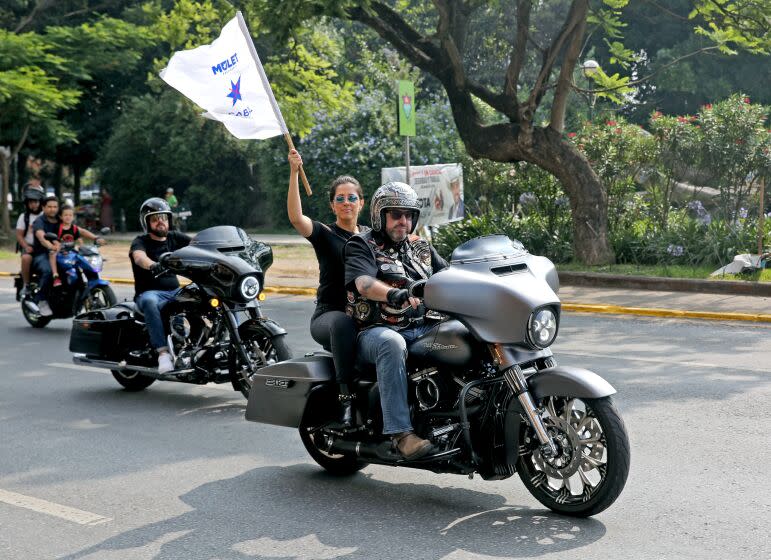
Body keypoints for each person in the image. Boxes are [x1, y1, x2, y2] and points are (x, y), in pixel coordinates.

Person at [344, 181, 449, 460]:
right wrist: (393, 294)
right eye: (396, 215)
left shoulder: (420, 247)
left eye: (408, 215)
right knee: (391, 344)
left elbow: (449, 275)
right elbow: (364, 283)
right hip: (375, 330)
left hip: (423, 326)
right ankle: (401, 434)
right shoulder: (362, 244)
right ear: (380, 216)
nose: (403, 221)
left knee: (463, 334)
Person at [286, 149, 369, 426]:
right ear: (333, 205)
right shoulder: (325, 234)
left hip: (368, 315)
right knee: (343, 322)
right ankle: (346, 399)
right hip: (329, 316)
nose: (347, 203)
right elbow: (297, 218)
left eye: (352, 198)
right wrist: (294, 172)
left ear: (362, 203)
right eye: (340, 199)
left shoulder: (371, 236)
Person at [129, 198, 191, 373]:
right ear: (147, 222)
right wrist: (153, 265)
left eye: (163, 218)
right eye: (155, 219)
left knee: (201, 294)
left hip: (174, 291)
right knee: (149, 301)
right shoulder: (140, 241)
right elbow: (139, 257)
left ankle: (196, 341)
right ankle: (162, 353)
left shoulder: (174, 237)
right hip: (149, 293)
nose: (160, 222)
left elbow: (198, 245)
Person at [48, 204, 106, 288]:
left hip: (71, 252)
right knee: (52, 253)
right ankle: (55, 275)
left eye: (70, 215)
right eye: (65, 215)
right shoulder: (58, 227)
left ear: (73, 217)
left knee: (84, 259)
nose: (68, 217)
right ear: (61, 216)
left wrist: (82, 248)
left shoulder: (74, 228)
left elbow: (79, 239)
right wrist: (56, 244)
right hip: (60, 252)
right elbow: (53, 238)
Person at [28, 195, 62, 317]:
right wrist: (50, 246)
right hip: (42, 255)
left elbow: (76, 230)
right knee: (48, 271)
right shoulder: (39, 221)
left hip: (60, 254)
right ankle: (41, 300)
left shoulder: (61, 220)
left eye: (55, 207)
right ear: (43, 207)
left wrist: (95, 238)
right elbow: (41, 237)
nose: (53, 209)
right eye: (49, 207)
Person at [15, 184, 45, 298]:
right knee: (26, 258)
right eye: (31, 202)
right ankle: (26, 285)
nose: (34, 204)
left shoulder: (45, 215)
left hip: (45, 247)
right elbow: (19, 235)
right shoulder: (24, 217)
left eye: (36, 201)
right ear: (27, 203)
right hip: (30, 247)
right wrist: (26, 246)